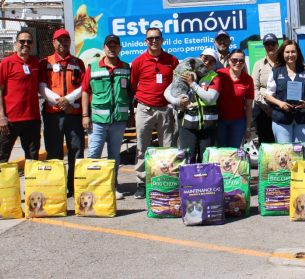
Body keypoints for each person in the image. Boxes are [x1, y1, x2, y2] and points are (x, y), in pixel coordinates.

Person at [130, 28, 178, 199]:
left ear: (162, 40)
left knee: (167, 148)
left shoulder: (172, 60)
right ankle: (142, 182)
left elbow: (176, 84)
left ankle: (166, 180)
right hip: (145, 109)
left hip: (165, 109)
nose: (154, 41)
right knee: (142, 147)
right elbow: (133, 86)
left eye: (157, 38)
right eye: (150, 39)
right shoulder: (138, 61)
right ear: (146, 41)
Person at [81, 35, 131, 199]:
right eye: (109, 46)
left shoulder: (126, 68)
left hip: (119, 120)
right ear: (103, 48)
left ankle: (112, 186)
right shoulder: (93, 67)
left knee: (114, 155)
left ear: (120, 48)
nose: (112, 48)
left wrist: (130, 113)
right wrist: (85, 115)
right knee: (94, 154)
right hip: (97, 121)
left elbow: (130, 92)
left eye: (115, 45)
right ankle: (93, 187)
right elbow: (85, 91)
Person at [39, 29, 86, 196]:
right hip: (53, 114)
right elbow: (42, 87)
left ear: (70, 42)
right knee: (54, 151)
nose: (63, 43)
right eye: (59, 40)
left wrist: (69, 99)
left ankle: (74, 187)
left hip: (74, 113)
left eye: (66, 40)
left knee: (77, 150)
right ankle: (57, 187)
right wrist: (61, 103)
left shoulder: (78, 62)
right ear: (53, 43)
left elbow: (84, 86)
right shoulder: (45, 62)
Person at [164, 48, 221, 164]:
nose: (206, 63)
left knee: (205, 160)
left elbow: (210, 99)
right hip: (187, 125)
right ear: (200, 57)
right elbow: (167, 92)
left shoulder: (214, 77)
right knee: (188, 158)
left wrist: (192, 84)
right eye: (205, 58)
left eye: (211, 62)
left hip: (208, 127)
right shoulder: (186, 73)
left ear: (214, 65)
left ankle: (203, 177)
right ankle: (189, 177)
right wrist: (177, 102)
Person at [0, 31, 41, 164]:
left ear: (33, 45)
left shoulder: (35, 62)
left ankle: (31, 178)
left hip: (32, 119)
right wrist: (1, 116)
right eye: (22, 41)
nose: (26, 44)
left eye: (29, 42)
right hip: (10, 120)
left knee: (32, 157)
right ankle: (0, 178)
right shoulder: (7, 62)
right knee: (2, 154)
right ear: (16, 44)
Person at [265, 40, 305, 157]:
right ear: (282, 53)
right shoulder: (276, 71)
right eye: (287, 52)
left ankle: (300, 170)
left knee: (302, 153)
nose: (290, 55)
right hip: (282, 118)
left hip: (303, 118)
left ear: (297, 53)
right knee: (285, 153)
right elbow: (268, 95)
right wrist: (280, 103)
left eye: (293, 51)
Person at [216, 49, 255, 147]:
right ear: (229, 60)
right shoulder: (219, 74)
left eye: (241, 60)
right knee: (221, 151)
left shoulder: (248, 80)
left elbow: (249, 106)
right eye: (234, 60)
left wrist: (248, 128)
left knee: (234, 151)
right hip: (219, 120)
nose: (238, 63)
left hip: (238, 121)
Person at [251, 33, 278, 144]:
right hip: (262, 107)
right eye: (267, 44)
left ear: (277, 45)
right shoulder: (258, 64)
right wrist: (265, 107)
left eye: (273, 43)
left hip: (280, 106)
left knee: (281, 141)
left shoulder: (284, 64)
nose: (270, 46)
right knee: (265, 141)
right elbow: (254, 88)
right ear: (264, 47)